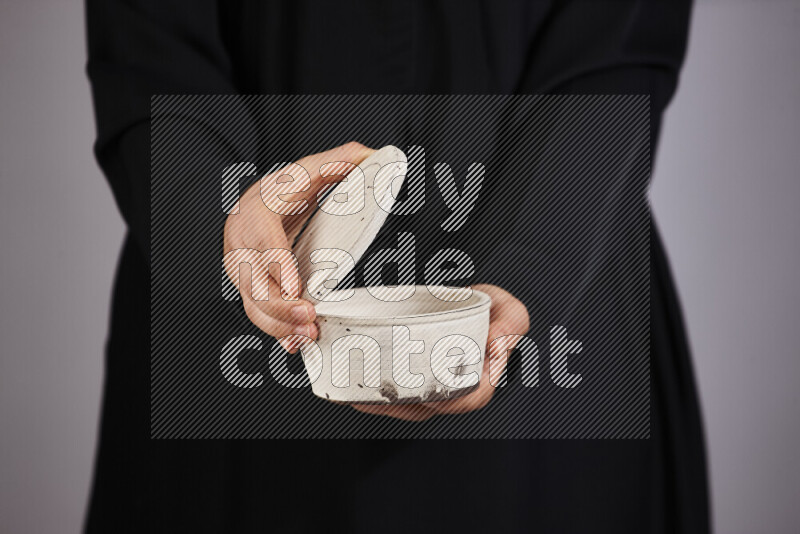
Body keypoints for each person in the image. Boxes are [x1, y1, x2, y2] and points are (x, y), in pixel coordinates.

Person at [85, 1, 709, 532]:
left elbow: (617, 45)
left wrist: (531, 266)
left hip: (558, 289)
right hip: (225, 323)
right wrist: (219, 220)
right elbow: (147, 45)